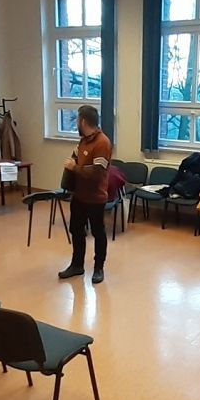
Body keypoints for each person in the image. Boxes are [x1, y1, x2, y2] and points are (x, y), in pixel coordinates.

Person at [58, 105, 112, 284]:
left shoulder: (102, 142)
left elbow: (97, 173)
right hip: (79, 196)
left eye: (77, 120)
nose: (76, 124)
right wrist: (73, 164)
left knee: (98, 232)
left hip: (96, 198)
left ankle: (98, 268)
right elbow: (76, 158)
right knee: (76, 230)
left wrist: (75, 167)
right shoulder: (83, 141)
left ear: (82, 121)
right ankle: (77, 265)